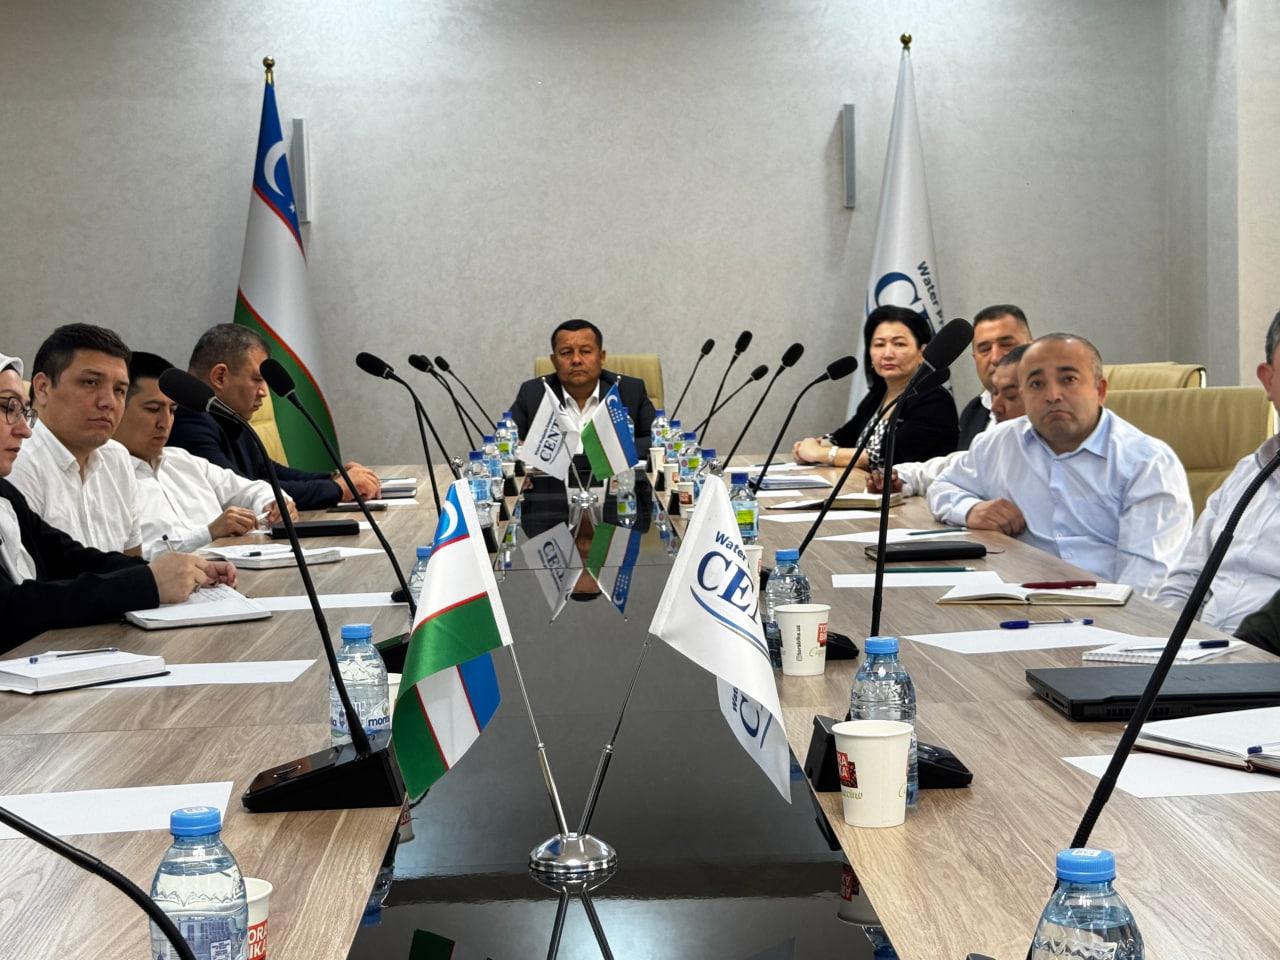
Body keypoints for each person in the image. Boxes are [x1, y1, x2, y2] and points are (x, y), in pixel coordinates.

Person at [0, 351, 236, 652]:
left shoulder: (4, 492)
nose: (24, 429)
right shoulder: (22, 471)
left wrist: (179, 570)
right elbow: (10, 609)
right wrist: (148, 584)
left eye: (23, 411)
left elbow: (69, 558)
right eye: (7, 408)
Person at [927, 333, 1193, 596]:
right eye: (1036, 384)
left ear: (1100, 390)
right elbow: (943, 486)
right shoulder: (998, 443)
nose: (1052, 395)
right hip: (1015, 600)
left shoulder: (1147, 463)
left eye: (1069, 380)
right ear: (1023, 394)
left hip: (1109, 606)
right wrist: (970, 509)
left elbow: (1145, 584)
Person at [1156, 310, 1280, 632]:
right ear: (1268, 380)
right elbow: (1187, 580)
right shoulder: (1248, 472)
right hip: (1201, 650)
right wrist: (1155, 639)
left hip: (1262, 655)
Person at [167, 324, 379, 510]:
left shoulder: (225, 416)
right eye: (257, 379)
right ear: (220, 377)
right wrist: (336, 488)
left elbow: (269, 472)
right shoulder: (188, 421)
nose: (264, 392)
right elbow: (242, 491)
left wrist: (335, 477)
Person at [115, 352, 298, 559]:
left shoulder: (182, 460)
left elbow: (253, 489)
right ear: (117, 406)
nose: (165, 422)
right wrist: (208, 533)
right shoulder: (105, 479)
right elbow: (129, 560)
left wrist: (274, 503)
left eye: (172, 410)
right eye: (153, 409)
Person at [8, 324, 143, 553]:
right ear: (42, 388)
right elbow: (27, 574)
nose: (109, 402)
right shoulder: (15, 459)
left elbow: (132, 560)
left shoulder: (117, 456)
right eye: (90, 383)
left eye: (119, 390)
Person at [792, 305, 958, 469]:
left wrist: (818, 453)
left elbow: (886, 458)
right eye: (879, 345)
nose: (887, 354)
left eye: (899, 344)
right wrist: (809, 446)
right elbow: (843, 437)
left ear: (922, 352)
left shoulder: (935, 401)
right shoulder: (877, 396)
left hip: (913, 487)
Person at [869, 343, 1029, 499]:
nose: (994, 407)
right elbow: (951, 471)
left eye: (1010, 396)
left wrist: (966, 507)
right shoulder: (992, 438)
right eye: (994, 393)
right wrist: (898, 478)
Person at [508, 318, 655, 454]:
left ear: (602, 357)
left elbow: (655, 440)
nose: (576, 360)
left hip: (614, 475)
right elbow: (507, 441)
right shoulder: (532, 393)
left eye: (585, 351)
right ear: (554, 360)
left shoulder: (630, 390)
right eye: (566, 352)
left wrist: (605, 452)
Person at [957, 304, 1034, 449]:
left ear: (1033, 348)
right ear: (975, 357)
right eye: (985, 349)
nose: (995, 358)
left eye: (1006, 344)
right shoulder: (972, 412)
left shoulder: (1049, 409)